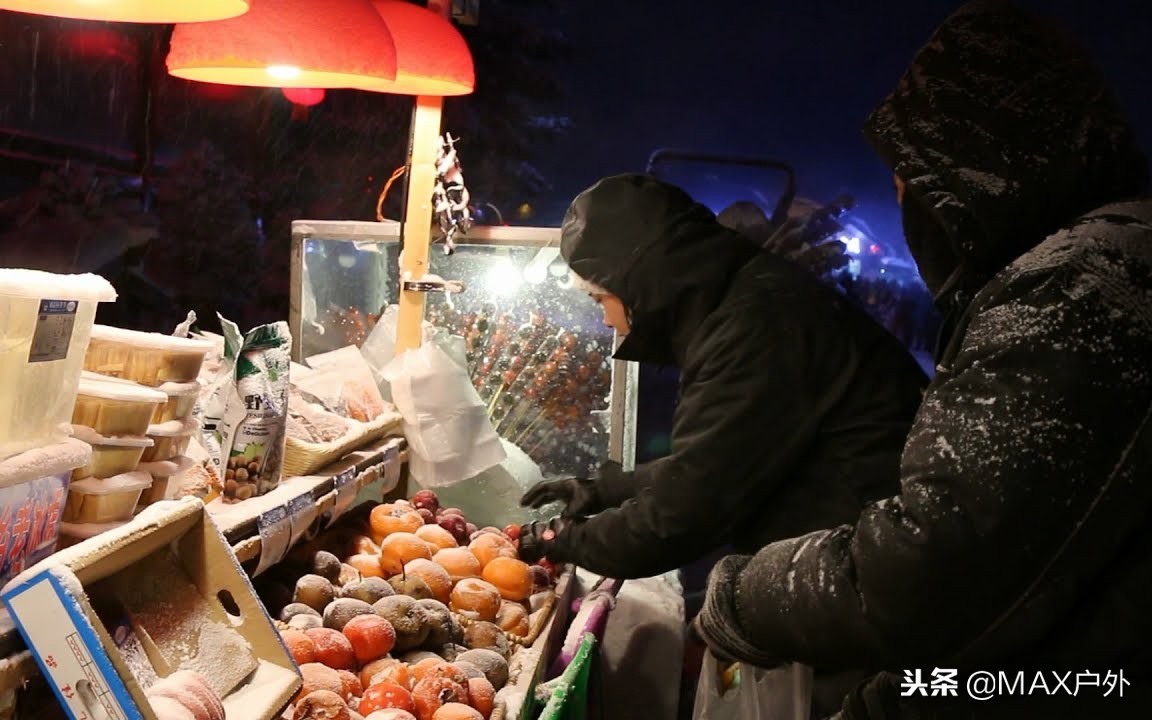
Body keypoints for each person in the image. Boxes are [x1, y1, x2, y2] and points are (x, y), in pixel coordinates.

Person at [692, 1, 1152, 717]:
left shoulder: (1077, 288)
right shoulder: (1105, 263)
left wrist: (741, 594)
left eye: (910, 182)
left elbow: (929, 570)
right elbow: (1030, 575)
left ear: (972, 177)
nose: (906, 204)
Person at [515, 173, 928, 582]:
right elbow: (718, 458)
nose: (606, 320)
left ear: (638, 284)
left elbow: (681, 517)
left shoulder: (753, 329)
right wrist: (603, 491)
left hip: (873, 568)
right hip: (858, 548)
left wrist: (561, 538)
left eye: (599, 299)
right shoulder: (749, 302)